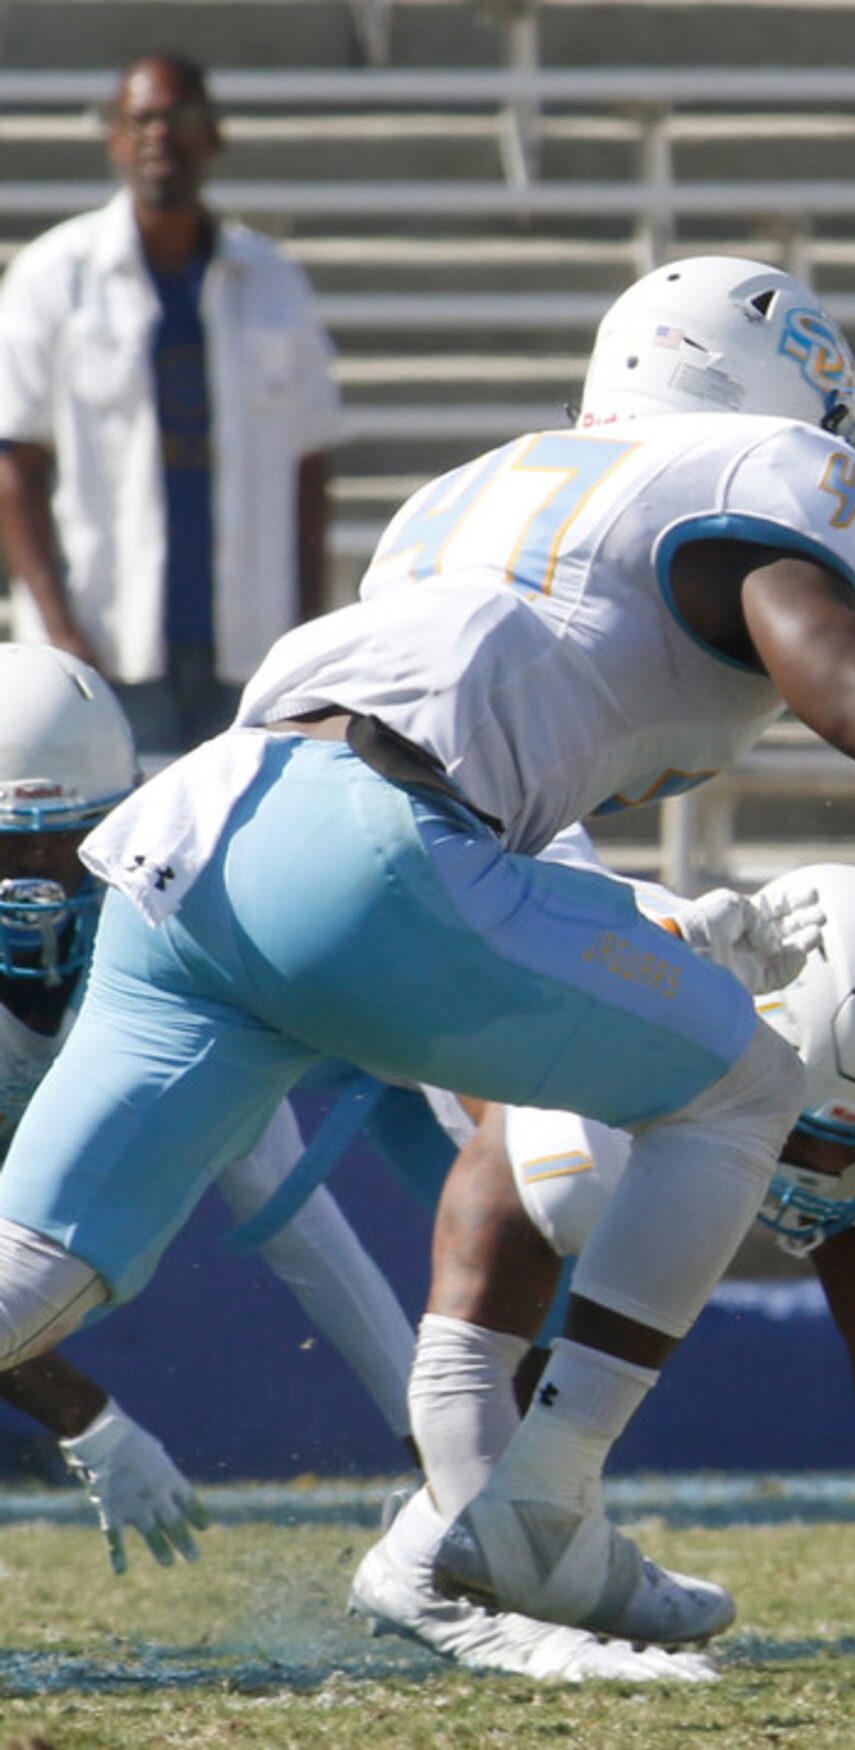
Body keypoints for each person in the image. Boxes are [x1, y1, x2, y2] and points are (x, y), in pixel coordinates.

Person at [0, 254, 855, 1648]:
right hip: (378, 846)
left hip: (199, 833)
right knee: (746, 1084)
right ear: (757, 387)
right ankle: (539, 1509)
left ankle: (532, 1526)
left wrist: (653, 931)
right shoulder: (755, 485)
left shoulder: (465, 503)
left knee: (33, 1265)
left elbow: (521, 804)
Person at [357, 855, 855, 1681]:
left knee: (569, 1319)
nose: (826, 1176)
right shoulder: (600, 1091)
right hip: (383, 1017)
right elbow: (464, 1354)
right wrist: (537, 1626)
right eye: (805, 1142)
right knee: (545, 1289)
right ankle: (455, 1577)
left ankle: (509, 1557)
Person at [0, 642, 422, 1573]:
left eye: (59, 840)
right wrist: (89, 1420)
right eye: (5, 847)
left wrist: (439, 1458)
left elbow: (304, 1233)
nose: (33, 877)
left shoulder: (169, 975)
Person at [0, 53, 338, 753]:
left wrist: (306, 625)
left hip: (247, 645)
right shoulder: (53, 276)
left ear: (214, 135)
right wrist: (61, 632)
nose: (161, 136)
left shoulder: (273, 280)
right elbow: (13, 465)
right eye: (142, 119)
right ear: (114, 138)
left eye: (180, 118)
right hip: (107, 646)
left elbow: (310, 464)